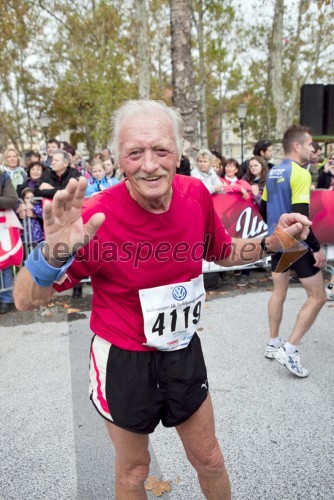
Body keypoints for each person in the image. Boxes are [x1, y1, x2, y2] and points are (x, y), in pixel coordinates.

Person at [14, 99, 312, 499]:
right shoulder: (94, 217)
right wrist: (51, 256)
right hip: (123, 358)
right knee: (135, 471)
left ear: (178, 150)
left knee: (210, 459)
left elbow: (219, 251)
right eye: (135, 152)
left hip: (183, 350)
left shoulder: (194, 194)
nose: (149, 165)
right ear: (119, 158)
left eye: (160, 150)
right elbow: (25, 301)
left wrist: (272, 243)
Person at [260, 124, 327, 378]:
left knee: (279, 292)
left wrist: (277, 231)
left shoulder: (273, 171)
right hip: (296, 243)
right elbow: (303, 219)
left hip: (278, 239)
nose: (313, 149)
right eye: (310, 145)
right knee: (318, 297)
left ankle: (273, 342)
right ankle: (290, 349)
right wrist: (318, 250)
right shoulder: (300, 173)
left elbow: (263, 208)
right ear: (297, 146)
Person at [0, 170, 19, 314]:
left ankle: (5, 299)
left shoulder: (3, 177)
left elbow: (12, 200)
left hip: (2, 225)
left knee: (3, 263)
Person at [16, 187, 44, 254]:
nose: (30, 200)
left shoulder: (37, 205)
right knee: (26, 255)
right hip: (24, 237)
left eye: (32, 197)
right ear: (23, 199)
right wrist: (19, 211)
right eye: (27, 198)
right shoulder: (20, 206)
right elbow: (13, 217)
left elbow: (43, 214)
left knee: (37, 254)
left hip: (37, 236)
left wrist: (33, 209)